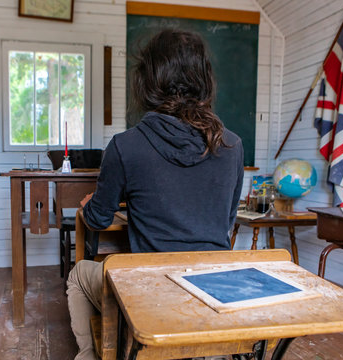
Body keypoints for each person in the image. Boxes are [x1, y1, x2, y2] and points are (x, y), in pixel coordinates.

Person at [66, 29, 244, 360]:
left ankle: (91, 355)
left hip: (151, 295)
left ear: (148, 81)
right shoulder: (232, 145)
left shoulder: (125, 145)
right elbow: (227, 222)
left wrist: (92, 206)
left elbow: (99, 219)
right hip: (212, 290)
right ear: (204, 79)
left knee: (77, 275)